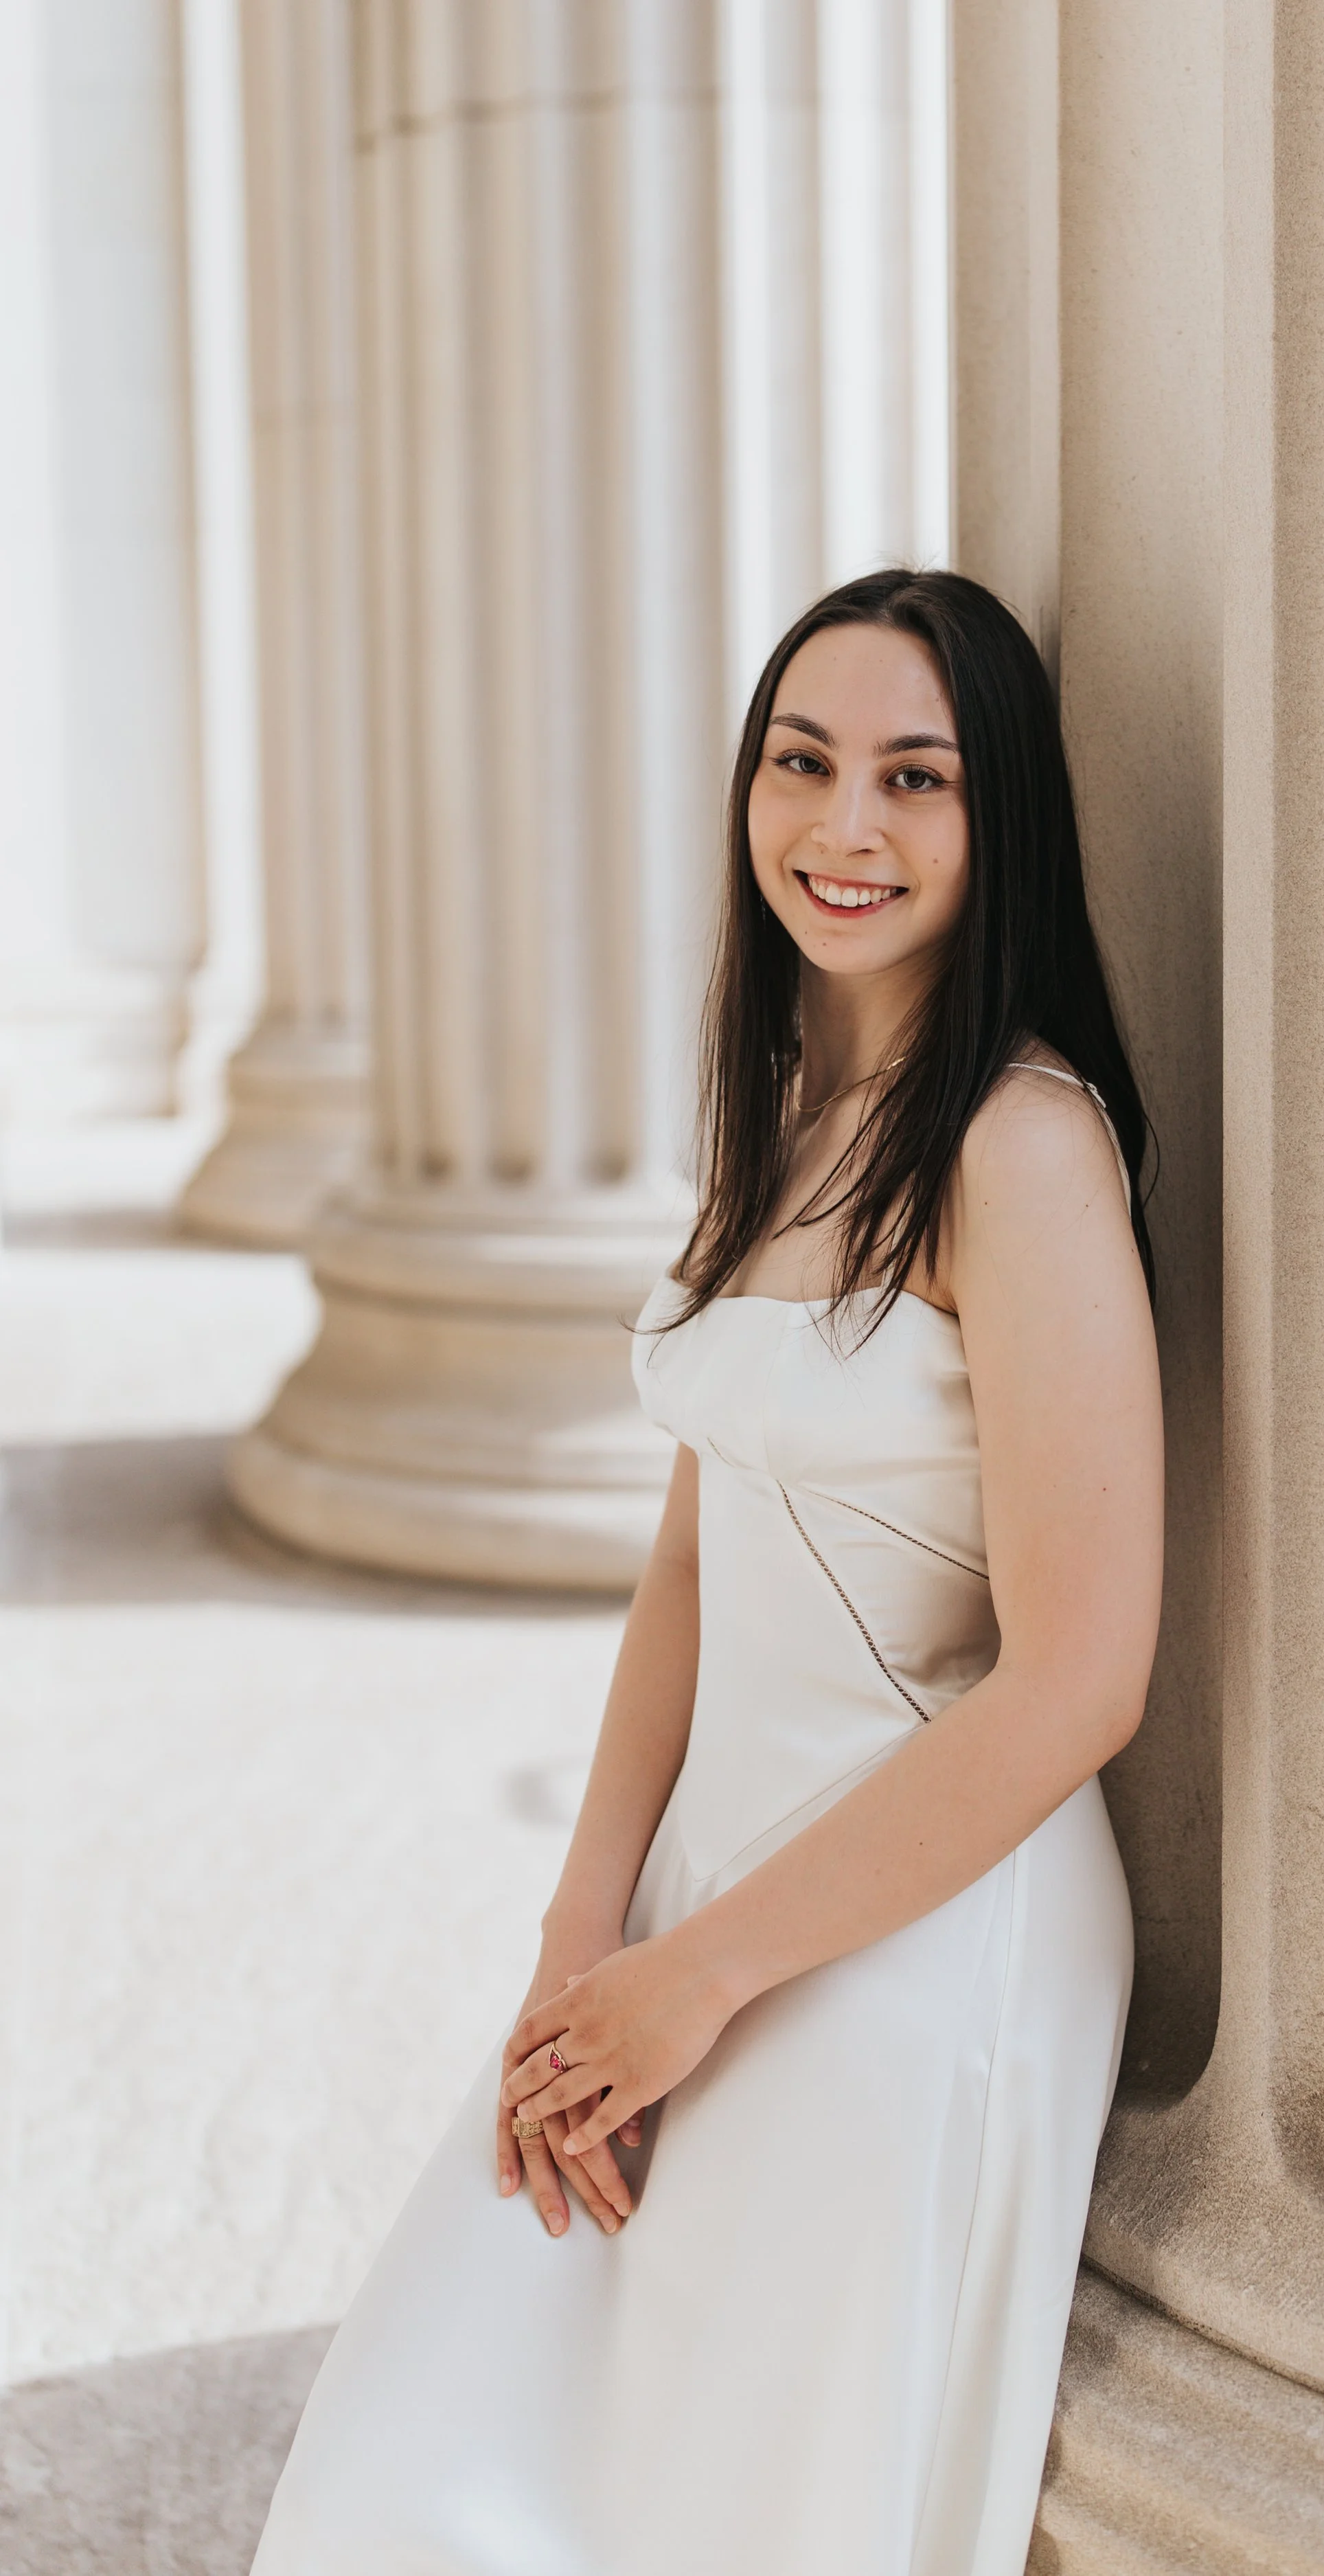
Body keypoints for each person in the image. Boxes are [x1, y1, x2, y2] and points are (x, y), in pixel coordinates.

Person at [251, 569, 1164, 2576]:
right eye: (802, 762)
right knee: (436, 2419)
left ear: (996, 818)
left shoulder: (1018, 1148)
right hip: (707, 1885)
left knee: (734, 2506)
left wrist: (709, 1972)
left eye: (913, 780)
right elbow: (693, 1545)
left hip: (920, 1916)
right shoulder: (794, 1103)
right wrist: (590, 1930)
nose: (841, 827)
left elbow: (1082, 1672)